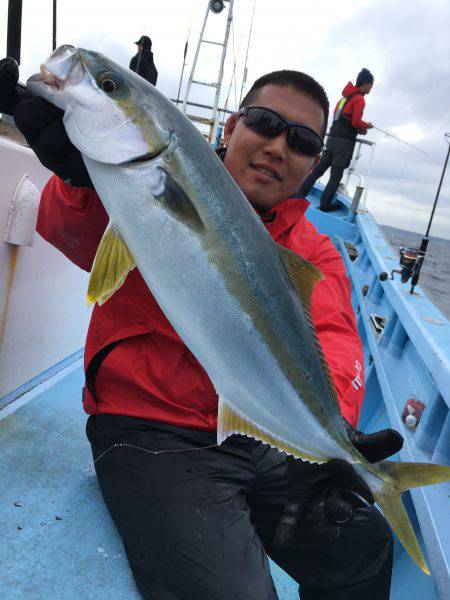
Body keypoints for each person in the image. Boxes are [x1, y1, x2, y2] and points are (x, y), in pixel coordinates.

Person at [0, 59, 403, 599]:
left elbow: (333, 340)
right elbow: (69, 233)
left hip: (261, 434)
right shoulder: (137, 181)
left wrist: (334, 439)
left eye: (304, 141)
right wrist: (82, 181)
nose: (278, 147)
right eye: (264, 122)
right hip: (151, 428)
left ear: (311, 165)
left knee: (363, 544)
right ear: (232, 127)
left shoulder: (313, 250)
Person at [296, 68, 374, 212]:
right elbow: (355, 122)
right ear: (365, 83)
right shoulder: (360, 99)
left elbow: (342, 118)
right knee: (335, 176)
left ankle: (299, 195)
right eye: (371, 84)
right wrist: (366, 126)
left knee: (318, 170)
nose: (371, 88)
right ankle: (325, 205)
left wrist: (358, 127)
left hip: (332, 139)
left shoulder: (344, 98)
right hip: (343, 144)